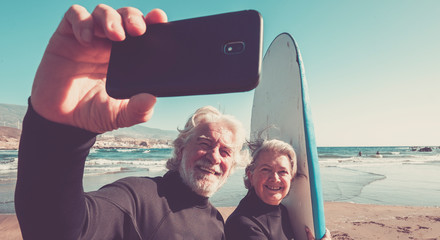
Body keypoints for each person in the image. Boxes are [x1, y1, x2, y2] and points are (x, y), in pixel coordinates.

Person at [15, 4, 247, 239]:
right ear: (181, 149)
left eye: (226, 151)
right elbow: (58, 231)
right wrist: (59, 132)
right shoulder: (139, 198)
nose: (214, 156)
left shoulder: (217, 222)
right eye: (205, 143)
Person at [225, 139, 331, 240]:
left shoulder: (283, 210)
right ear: (251, 176)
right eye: (266, 169)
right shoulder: (242, 224)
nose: (275, 178)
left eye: (283, 171)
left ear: (291, 178)